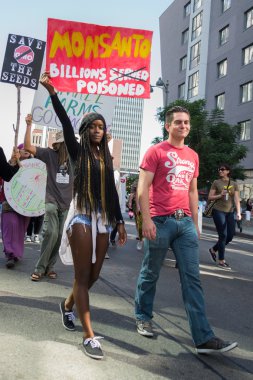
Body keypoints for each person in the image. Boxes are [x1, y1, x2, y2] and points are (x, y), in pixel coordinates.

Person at [135, 106, 237, 354]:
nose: (183, 126)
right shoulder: (155, 152)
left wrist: (195, 223)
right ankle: (143, 316)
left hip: (185, 224)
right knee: (150, 272)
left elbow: (192, 191)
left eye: (186, 122)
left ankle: (203, 338)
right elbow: (142, 188)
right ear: (168, 126)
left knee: (192, 278)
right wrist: (146, 220)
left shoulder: (192, 156)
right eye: (178, 122)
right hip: (159, 221)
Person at [39, 71, 127, 360]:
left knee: (94, 275)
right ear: (87, 129)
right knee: (82, 274)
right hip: (81, 215)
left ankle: (66, 305)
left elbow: (113, 194)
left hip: (103, 217)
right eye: (94, 126)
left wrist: (121, 221)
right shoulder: (78, 153)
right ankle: (89, 336)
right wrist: (52, 92)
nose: (98, 130)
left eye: (102, 127)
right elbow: (65, 121)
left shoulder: (107, 158)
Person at [24, 114, 73, 280]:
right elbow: (29, 147)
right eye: (64, 143)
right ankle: (39, 268)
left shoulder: (75, 159)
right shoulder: (49, 154)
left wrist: (106, 142)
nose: (66, 146)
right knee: (51, 233)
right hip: (51, 200)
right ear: (58, 144)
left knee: (59, 236)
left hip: (67, 204)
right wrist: (29, 125)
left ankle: (50, 267)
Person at [1, 144, 31, 268]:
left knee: (19, 230)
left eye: (27, 150)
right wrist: (15, 161)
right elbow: (7, 176)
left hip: (26, 204)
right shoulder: (8, 164)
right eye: (21, 150)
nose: (24, 152)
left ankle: (16, 254)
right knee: (10, 226)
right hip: (9, 203)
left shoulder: (34, 167)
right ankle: (10, 254)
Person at [208, 163, 241, 270]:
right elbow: (210, 197)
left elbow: (236, 199)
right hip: (218, 211)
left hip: (230, 212)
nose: (220, 171)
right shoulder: (216, 182)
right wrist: (220, 195)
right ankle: (221, 260)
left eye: (222, 169)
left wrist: (239, 212)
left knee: (230, 236)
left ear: (228, 171)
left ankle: (213, 249)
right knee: (223, 235)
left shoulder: (234, 184)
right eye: (219, 169)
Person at [128, 178, 143, 250]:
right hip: (137, 203)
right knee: (138, 220)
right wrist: (130, 202)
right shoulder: (137, 182)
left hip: (148, 203)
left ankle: (141, 236)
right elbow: (133, 193)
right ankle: (140, 237)